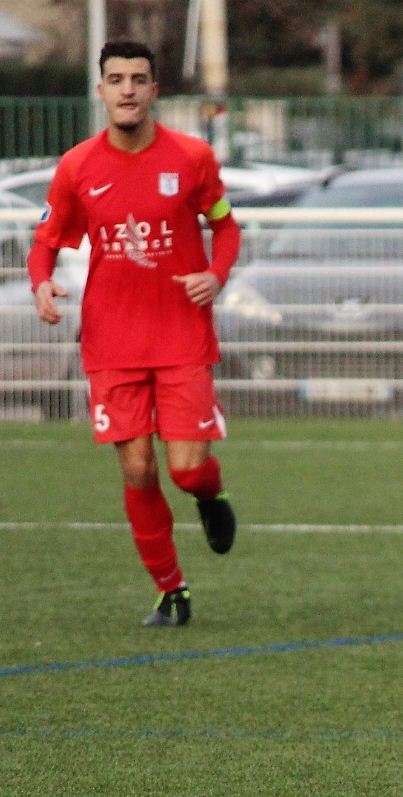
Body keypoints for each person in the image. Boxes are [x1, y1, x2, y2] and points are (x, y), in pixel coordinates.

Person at [29, 38, 241, 627]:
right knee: (138, 470)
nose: (127, 88)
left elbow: (226, 229)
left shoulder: (192, 158)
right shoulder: (77, 166)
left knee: (186, 469)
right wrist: (41, 284)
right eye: (116, 78)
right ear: (101, 91)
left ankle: (210, 495)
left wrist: (216, 275)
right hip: (112, 342)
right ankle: (171, 591)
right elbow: (45, 243)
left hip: (181, 337)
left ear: (154, 90)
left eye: (138, 78)